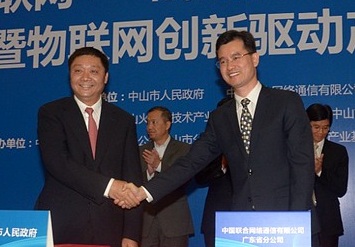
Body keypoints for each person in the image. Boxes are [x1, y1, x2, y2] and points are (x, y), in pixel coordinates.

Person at [117, 29, 314, 214]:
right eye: (223, 61)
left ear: (254, 58)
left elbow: (302, 162)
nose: (230, 66)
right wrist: (144, 191)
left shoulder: (285, 102)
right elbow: (191, 162)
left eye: (236, 57)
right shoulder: (220, 117)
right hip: (243, 220)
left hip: (287, 216)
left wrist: (296, 219)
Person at [34, 47, 142, 247]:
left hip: (110, 225)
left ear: (105, 77)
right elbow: (58, 163)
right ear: (70, 75)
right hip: (61, 224)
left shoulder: (123, 120)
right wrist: (109, 187)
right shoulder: (51, 113)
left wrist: (131, 233)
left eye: (93, 71)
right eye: (78, 70)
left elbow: (132, 175)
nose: (85, 77)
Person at [138, 106, 194, 247]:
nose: (149, 127)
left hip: (174, 221)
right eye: (147, 123)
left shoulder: (184, 149)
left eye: (154, 122)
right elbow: (135, 183)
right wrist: (149, 172)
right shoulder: (140, 151)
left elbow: (184, 179)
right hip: (147, 222)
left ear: (167, 124)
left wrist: (159, 165)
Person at [194, 98, 234, 247]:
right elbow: (200, 177)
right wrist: (222, 166)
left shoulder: (254, 141)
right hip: (216, 218)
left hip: (246, 218)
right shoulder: (209, 143)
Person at [307, 103, 348, 247]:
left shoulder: (338, 151)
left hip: (328, 220)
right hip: (300, 218)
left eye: (325, 127)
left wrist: (320, 172)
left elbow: (340, 189)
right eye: (316, 127)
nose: (321, 132)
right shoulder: (294, 150)